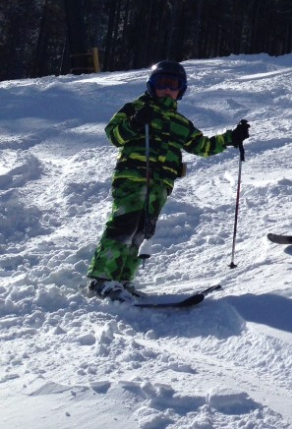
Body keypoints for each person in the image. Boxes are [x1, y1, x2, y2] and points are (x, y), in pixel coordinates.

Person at [87, 60, 250, 302]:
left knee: (141, 231)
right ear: (151, 85)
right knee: (124, 225)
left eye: (173, 85)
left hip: (160, 186)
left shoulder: (180, 123)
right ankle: (101, 280)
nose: (167, 90)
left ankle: (122, 280)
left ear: (181, 91)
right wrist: (134, 123)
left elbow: (201, 146)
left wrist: (230, 138)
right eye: (162, 84)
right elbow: (114, 134)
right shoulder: (136, 109)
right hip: (133, 179)